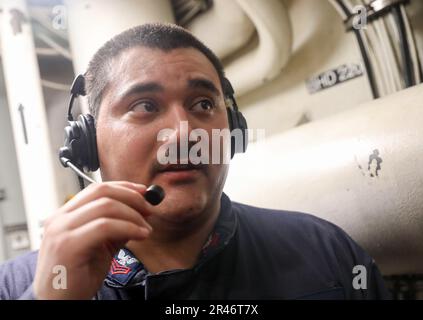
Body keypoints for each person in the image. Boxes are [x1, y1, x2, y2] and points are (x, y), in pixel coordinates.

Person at [0, 23, 390, 300]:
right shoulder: (16, 286)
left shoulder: (330, 255)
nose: (186, 134)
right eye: (145, 106)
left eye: (204, 104)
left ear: (232, 128)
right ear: (88, 141)